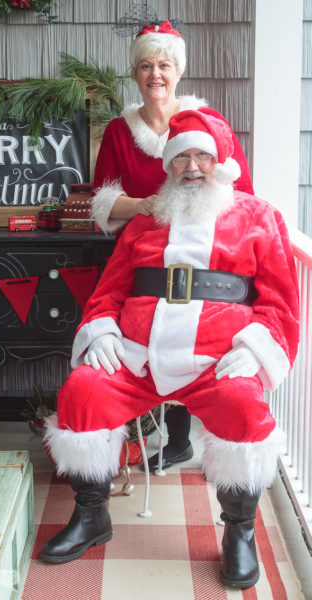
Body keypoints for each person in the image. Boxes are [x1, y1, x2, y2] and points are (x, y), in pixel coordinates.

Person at [41, 110, 299, 589]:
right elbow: (109, 291)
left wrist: (259, 348)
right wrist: (102, 332)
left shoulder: (259, 218)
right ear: (169, 167)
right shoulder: (146, 222)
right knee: (83, 390)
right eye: (182, 158)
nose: (193, 167)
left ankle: (239, 531)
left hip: (216, 362)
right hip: (138, 356)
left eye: (203, 155)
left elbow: (282, 302)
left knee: (245, 406)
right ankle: (91, 515)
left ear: (221, 163)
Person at [90, 19, 255, 472]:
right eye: (146, 65)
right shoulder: (121, 132)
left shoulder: (208, 124)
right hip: (142, 253)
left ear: (178, 71)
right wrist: (143, 205)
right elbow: (102, 198)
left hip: (203, 253)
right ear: (135, 73)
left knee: (193, 328)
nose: (155, 75)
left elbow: (242, 194)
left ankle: (185, 439)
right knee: (149, 333)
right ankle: (118, 435)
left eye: (164, 65)